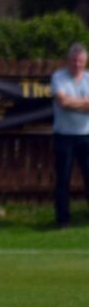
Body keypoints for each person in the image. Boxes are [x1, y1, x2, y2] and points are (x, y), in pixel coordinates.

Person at [51, 42, 89, 229]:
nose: (77, 64)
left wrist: (72, 103)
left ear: (85, 62)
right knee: (63, 179)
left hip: (86, 136)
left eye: (80, 61)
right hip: (64, 136)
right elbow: (63, 102)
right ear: (68, 60)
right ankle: (63, 220)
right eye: (74, 60)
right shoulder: (58, 77)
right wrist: (83, 104)